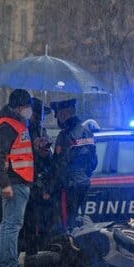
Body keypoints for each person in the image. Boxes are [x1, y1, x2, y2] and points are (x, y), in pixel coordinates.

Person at [0, 89, 34, 267]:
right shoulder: (8, 126)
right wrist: (5, 183)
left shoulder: (15, 124)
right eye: (27, 107)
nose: (29, 111)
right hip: (14, 181)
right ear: (19, 107)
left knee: (7, 224)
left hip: (17, 180)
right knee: (12, 225)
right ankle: (10, 266)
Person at [47, 98, 97, 232]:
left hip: (68, 186)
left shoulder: (67, 135)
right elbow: (93, 162)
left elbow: (60, 165)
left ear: (65, 114)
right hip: (82, 183)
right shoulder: (86, 131)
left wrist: (50, 188)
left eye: (58, 114)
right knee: (78, 220)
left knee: (67, 222)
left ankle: (69, 249)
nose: (58, 118)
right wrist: (83, 175)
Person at [23, 98, 54, 255]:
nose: (39, 118)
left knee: (39, 220)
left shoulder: (41, 131)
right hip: (30, 180)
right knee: (31, 221)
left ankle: (37, 250)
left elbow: (48, 157)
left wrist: (45, 150)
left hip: (39, 181)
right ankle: (32, 251)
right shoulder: (25, 130)